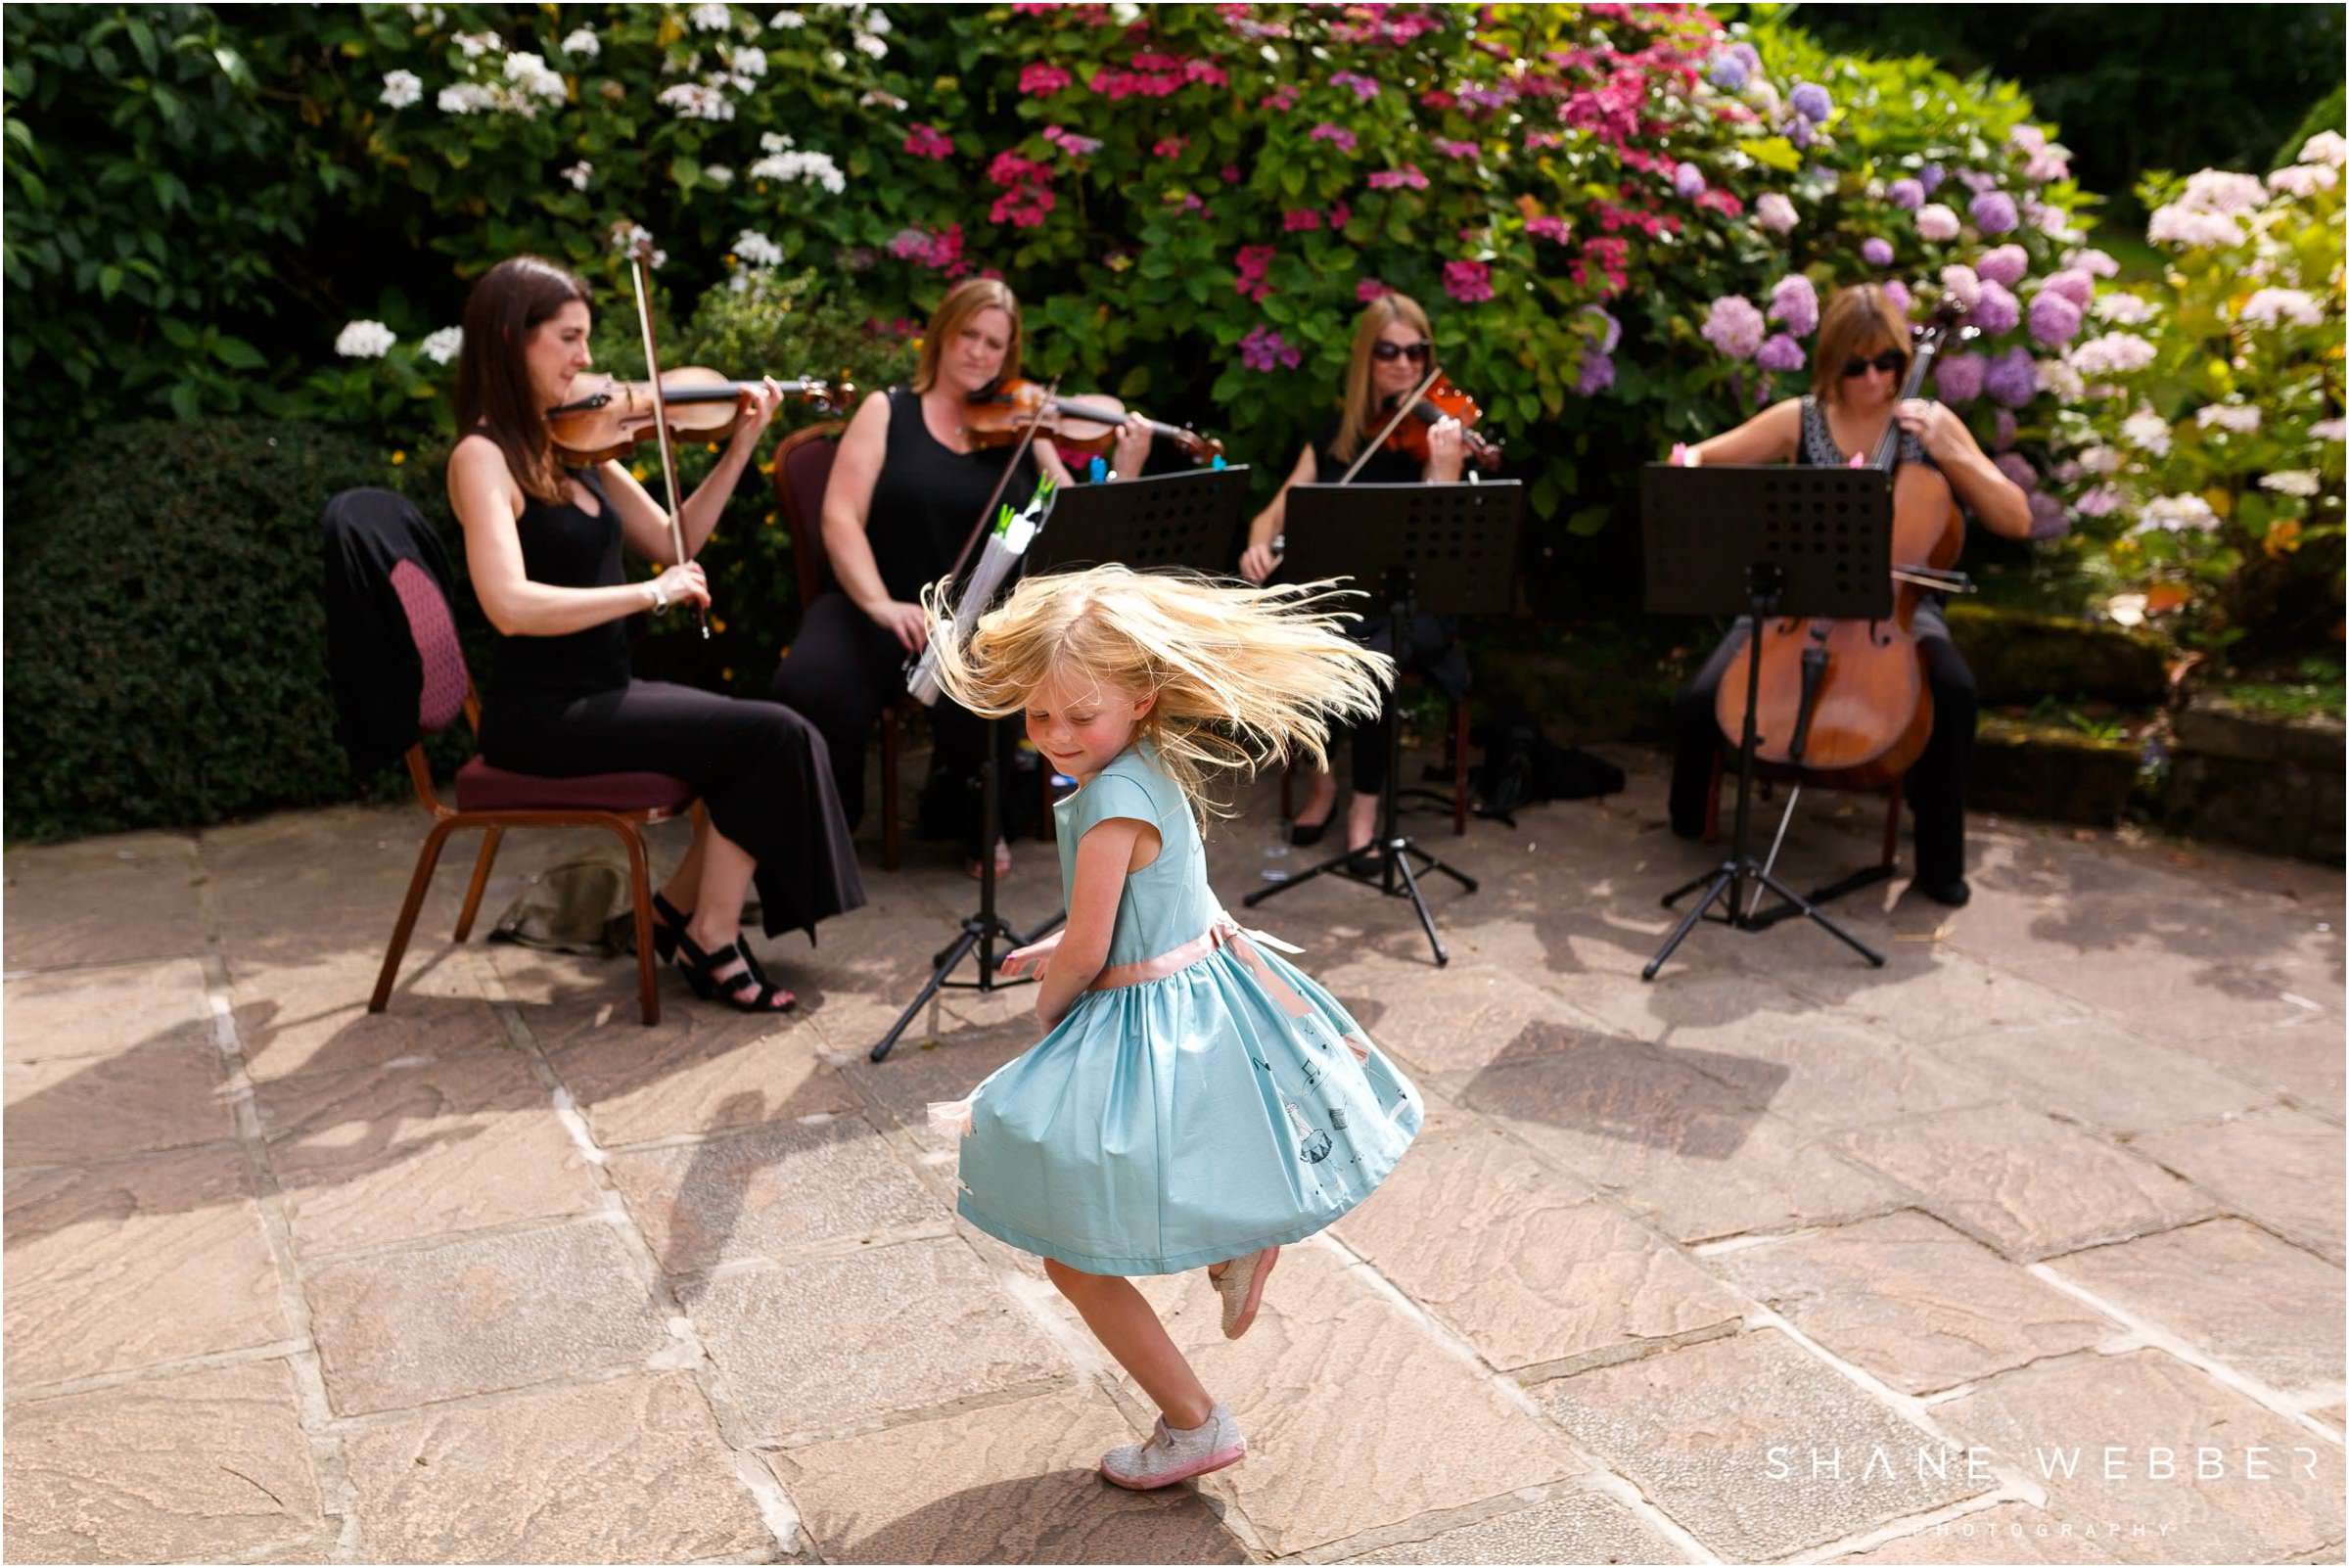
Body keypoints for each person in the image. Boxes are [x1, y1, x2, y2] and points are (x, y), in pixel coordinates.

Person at [923, 565, 1423, 1490]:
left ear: (1141, 699)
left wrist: (1053, 1000)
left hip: (1144, 1017)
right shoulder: (1151, 767)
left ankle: (1195, 1423)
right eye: (1039, 719)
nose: (1058, 738)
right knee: (1156, 1167)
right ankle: (1239, 1241)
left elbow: (1092, 945)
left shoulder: (1108, 803)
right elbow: (1149, 904)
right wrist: (1065, 945)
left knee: (1070, 1244)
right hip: (1202, 991)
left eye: (1080, 717)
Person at [447, 254, 864, 1011]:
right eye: (569, 339)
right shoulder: (484, 458)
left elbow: (676, 542)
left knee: (767, 735)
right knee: (772, 737)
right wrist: (650, 595)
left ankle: (683, 915)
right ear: (512, 337)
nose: (586, 360)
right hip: (543, 714)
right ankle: (707, 936)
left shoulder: (575, 444)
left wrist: (742, 442)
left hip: (603, 689)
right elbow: (508, 604)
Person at [770, 277, 1154, 877]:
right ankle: (828, 825)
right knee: (812, 685)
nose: (979, 352)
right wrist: (879, 605)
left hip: (980, 618)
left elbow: (1082, 524)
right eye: (968, 335)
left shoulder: (1024, 425)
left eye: (994, 344)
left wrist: (1126, 468)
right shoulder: (887, 409)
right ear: (942, 337)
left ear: (1009, 355)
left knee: (990, 678)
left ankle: (978, 820)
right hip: (877, 602)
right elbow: (840, 518)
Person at [1666, 283, 2033, 906]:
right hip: (1798, 602)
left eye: (1888, 363)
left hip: (1894, 607)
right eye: (1856, 365)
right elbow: (1699, 458)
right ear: (1832, 364)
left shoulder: (1931, 424)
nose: (1873, 379)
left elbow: (2016, 517)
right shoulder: (1800, 420)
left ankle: (1940, 864)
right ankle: (1688, 825)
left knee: (1953, 694)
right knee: (1703, 701)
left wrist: (1953, 454)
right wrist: (1690, 471)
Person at [1236, 292, 1471, 861]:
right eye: (1389, 351)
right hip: (1343, 599)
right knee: (1305, 636)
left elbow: (1443, 547)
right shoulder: (1336, 438)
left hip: (1411, 602)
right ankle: (1325, 783)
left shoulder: (1436, 438)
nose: (1405, 365)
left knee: (1374, 650)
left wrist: (1443, 470)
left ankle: (1368, 802)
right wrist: (1256, 544)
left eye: (1418, 352)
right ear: (1367, 357)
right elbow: (1279, 507)